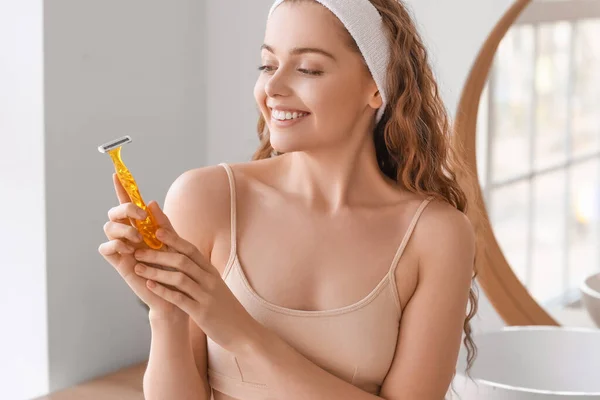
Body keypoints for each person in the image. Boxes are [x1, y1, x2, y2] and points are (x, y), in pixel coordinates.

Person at [98, 0, 479, 399]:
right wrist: (165, 312)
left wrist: (241, 334)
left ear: (376, 86)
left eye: (308, 68)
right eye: (267, 65)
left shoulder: (436, 235)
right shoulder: (206, 200)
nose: (272, 88)